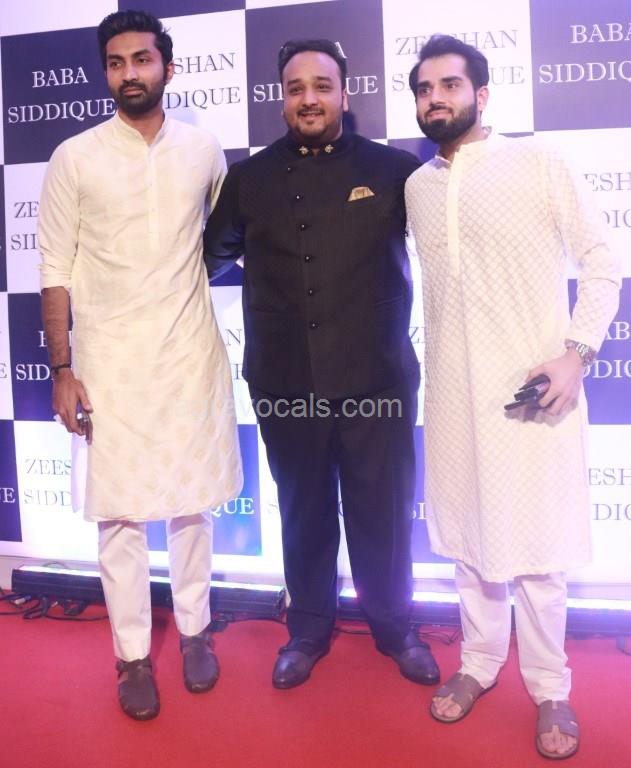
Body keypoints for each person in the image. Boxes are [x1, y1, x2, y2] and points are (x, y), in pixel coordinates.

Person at [405, 34, 621, 759]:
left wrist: (576, 353)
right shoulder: (417, 186)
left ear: (481, 93)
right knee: (468, 543)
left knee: (538, 551)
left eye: (449, 85)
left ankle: (550, 686)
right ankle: (477, 663)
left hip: (534, 394)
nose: (435, 98)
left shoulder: (537, 162)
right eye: (424, 88)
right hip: (451, 397)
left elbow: (602, 261)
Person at [204, 39, 439, 690]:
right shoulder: (249, 179)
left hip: (378, 377)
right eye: (295, 88)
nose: (308, 99)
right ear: (282, 98)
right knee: (302, 509)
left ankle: (395, 627)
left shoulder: (394, 170)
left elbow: (447, 248)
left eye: (321, 86)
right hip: (285, 380)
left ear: (344, 93)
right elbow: (209, 257)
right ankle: (306, 629)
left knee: (382, 510)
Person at [38, 10, 242, 721]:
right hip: (109, 363)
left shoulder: (203, 150)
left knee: (192, 504)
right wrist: (62, 368)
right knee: (119, 516)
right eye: (117, 62)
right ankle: (130, 657)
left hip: (188, 353)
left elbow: (224, 240)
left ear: (168, 68)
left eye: (143, 60)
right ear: (106, 72)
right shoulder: (75, 156)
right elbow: (53, 268)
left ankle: (194, 632)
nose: (130, 73)